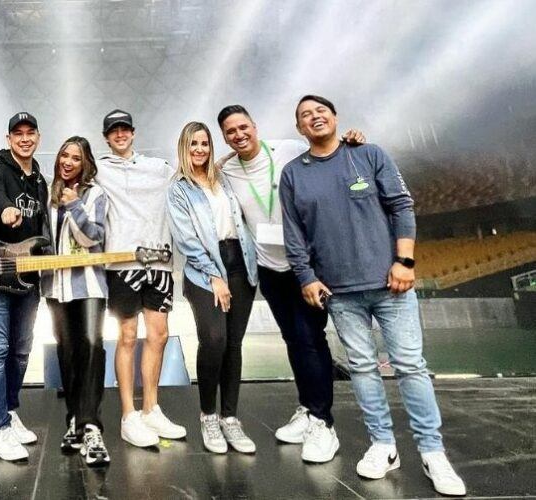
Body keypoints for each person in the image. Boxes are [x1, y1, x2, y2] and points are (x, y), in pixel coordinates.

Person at [280, 95, 466, 496]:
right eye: (305, 115)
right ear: (298, 129)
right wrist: (307, 277)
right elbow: (294, 234)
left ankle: (433, 452)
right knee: (363, 369)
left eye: (320, 111)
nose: (314, 117)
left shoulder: (368, 154)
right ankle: (383, 445)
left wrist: (405, 261)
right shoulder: (294, 173)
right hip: (340, 292)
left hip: (390, 284)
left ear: (335, 117)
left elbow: (401, 206)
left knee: (411, 366)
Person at [215, 104, 365, 463]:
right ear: (225, 137)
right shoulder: (227, 169)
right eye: (231, 131)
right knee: (293, 340)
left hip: (305, 266)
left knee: (310, 338)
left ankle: (323, 422)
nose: (239, 135)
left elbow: (328, 151)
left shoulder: (289, 150)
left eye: (243, 127)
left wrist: (352, 141)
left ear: (255, 126)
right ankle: (307, 408)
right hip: (269, 268)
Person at [95, 109, 186, 447]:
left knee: (159, 335)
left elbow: (197, 169)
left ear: (133, 132)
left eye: (124, 129)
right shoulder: (97, 169)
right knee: (128, 336)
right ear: (106, 137)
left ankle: (151, 409)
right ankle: (128, 416)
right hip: (123, 263)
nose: (120, 134)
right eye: (113, 130)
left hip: (159, 261)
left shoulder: (159, 168)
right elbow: (63, 171)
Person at [167, 122, 258, 454]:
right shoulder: (179, 189)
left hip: (240, 262)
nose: (200, 149)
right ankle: (208, 415)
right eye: (193, 144)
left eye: (205, 143)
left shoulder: (224, 178)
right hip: (204, 269)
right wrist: (214, 276)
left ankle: (229, 418)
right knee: (215, 340)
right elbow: (186, 240)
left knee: (233, 343)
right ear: (184, 148)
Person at [0, 112, 51, 461]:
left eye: (30, 132)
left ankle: (9, 410)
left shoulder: (40, 181)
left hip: (28, 278)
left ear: (37, 137)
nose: (24, 138)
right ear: (8, 139)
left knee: (21, 350)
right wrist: (5, 208)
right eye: (17, 133)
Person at [40, 136, 111, 466]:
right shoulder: (47, 194)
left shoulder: (94, 194)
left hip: (90, 284)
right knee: (67, 351)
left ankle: (91, 425)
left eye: (76, 158)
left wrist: (74, 205)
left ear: (86, 164)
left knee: (92, 345)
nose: (68, 162)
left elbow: (92, 238)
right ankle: (74, 419)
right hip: (56, 286)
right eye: (64, 156)